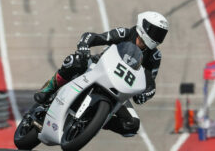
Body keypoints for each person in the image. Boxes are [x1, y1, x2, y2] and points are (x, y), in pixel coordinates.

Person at [34, 11, 169, 136]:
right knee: (75, 61)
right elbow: (94, 37)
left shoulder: (155, 56)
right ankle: (49, 88)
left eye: (161, 34)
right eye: (156, 32)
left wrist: (147, 93)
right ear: (144, 26)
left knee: (132, 125)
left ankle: (96, 121)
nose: (158, 37)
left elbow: (150, 80)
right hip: (96, 68)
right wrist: (83, 47)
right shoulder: (125, 33)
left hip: (119, 88)